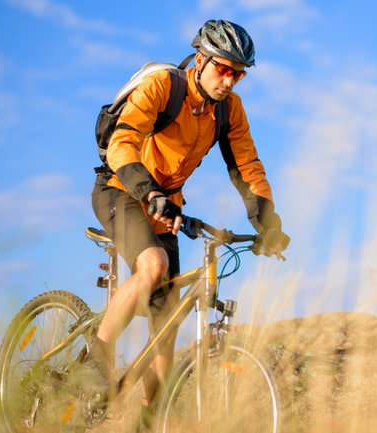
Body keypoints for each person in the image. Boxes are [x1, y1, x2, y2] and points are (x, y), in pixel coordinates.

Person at [84, 19, 290, 430]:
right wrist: (148, 192)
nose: (229, 81)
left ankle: (149, 421)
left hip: (166, 205)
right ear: (200, 60)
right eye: (223, 69)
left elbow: (247, 166)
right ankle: (95, 360)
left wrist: (268, 224)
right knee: (154, 265)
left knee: (167, 319)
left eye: (238, 74)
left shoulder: (228, 110)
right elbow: (122, 142)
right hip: (121, 188)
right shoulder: (163, 85)